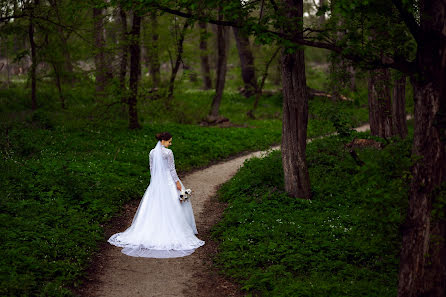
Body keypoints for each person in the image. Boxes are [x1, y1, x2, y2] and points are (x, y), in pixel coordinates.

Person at [108, 132, 204, 258]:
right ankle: (176, 229)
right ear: (163, 141)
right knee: (174, 205)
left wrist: (154, 185)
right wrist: (178, 184)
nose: (170, 143)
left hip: (156, 183)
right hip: (169, 181)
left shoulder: (152, 152)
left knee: (153, 206)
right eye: (169, 141)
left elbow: (152, 170)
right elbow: (172, 169)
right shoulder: (168, 153)